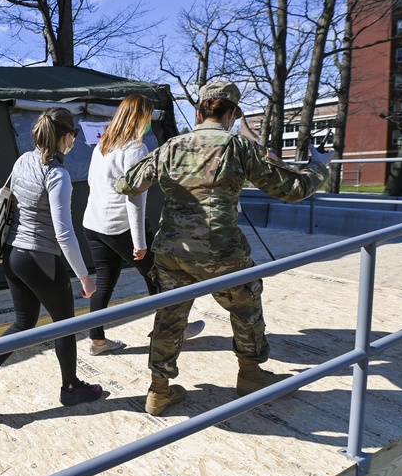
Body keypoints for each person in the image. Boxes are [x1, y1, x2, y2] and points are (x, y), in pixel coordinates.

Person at [116, 81, 332, 416]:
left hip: (171, 252)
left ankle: (158, 392)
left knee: (170, 319)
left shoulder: (172, 146)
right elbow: (293, 189)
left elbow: (127, 183)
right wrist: (319, 165)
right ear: (232, 115)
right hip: (221, 255)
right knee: (245, 310)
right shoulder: (241, 147)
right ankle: (250, 375)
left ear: (200, 111)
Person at [0, 108, 103, 416]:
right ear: (65, 136)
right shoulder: (58, 175)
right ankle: (71, 389)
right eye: (74, 135)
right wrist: (84, 276)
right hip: (40, 257)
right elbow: (64, 233)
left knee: (23, 322)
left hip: (13, 255)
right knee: (66, 324)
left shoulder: (22, 161)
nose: (75, 141)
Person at [82, 94, 205, 355]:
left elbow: (93, 184)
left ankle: (97, 342)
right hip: (120, 226)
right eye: (148, 115)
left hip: (93, 223)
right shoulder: (136, 149)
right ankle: (173, 330)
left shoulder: (102, 145)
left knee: (104, 281)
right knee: (160, 277)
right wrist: (139, 243)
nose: (150, 121)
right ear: (141, 118)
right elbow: (135, 199)